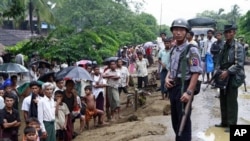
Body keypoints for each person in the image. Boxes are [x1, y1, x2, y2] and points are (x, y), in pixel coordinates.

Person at [165, 18, 202, 141]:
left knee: (183, 121)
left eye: (181, 30)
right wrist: (166, 78)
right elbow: (171, 68)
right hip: (173, 87)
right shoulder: (174, 49)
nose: (178, 32)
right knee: (175, 119)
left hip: (184, 87)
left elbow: (196, 72)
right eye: (175, 30)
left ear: (187, 33)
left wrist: (189, 92)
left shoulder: (192, 49)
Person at [215, 24, 245, 132]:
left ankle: (232, 125)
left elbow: (239, 64)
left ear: (234, 33)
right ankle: (224, 122)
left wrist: (228, 72)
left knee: (231, 101)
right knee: (222, 99)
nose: (228, 34)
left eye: (230, 32)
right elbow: (219, 59)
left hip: (233, 77)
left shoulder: (238, 46)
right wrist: (217, 70)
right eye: (226, 32)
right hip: (223, 75)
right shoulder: (224, 45)